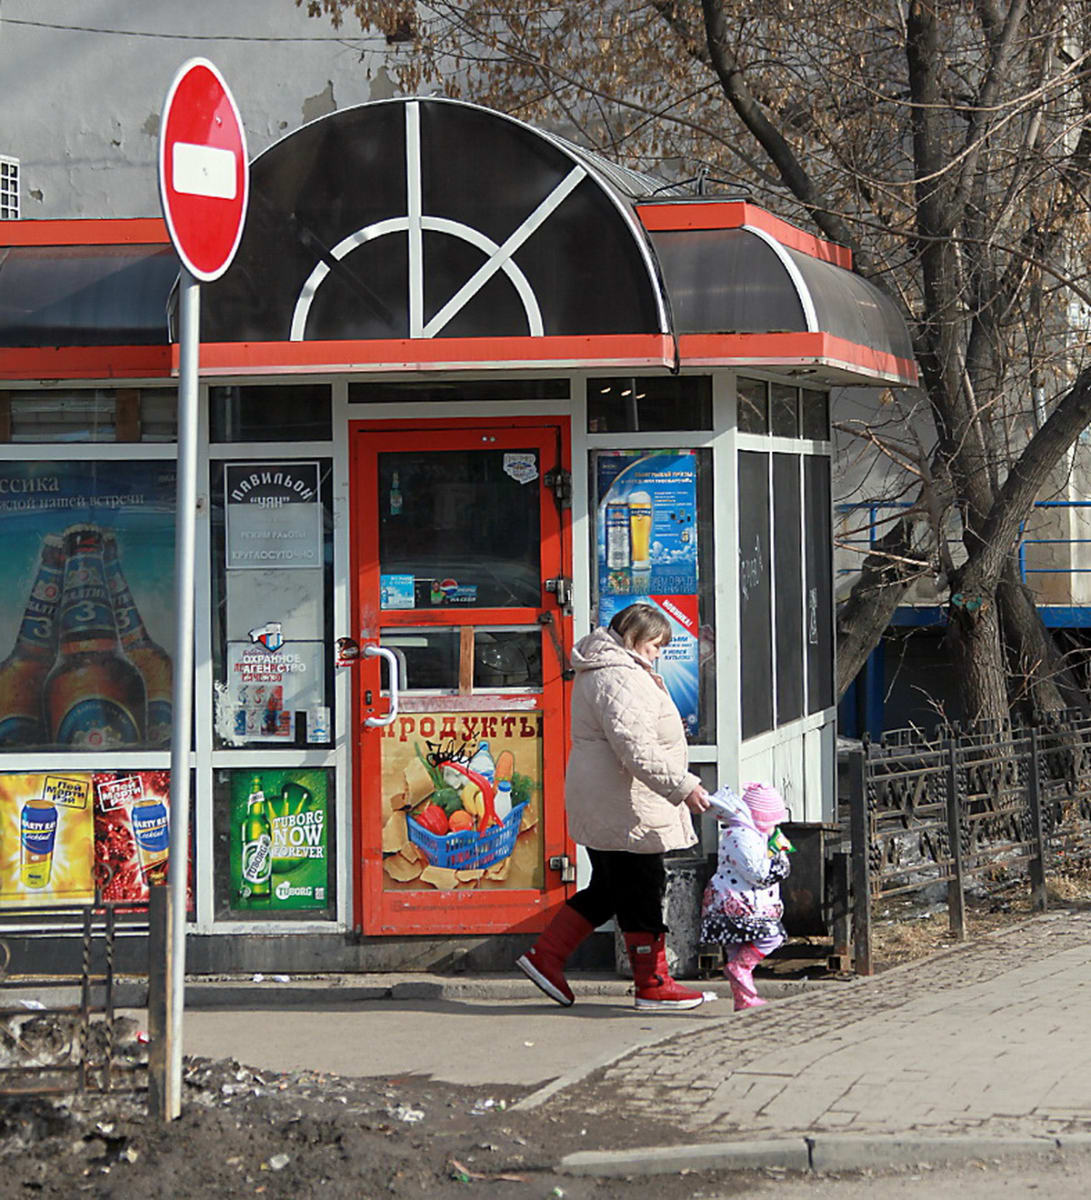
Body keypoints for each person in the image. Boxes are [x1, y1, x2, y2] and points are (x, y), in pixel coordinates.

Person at [516, 603, 711, 1011]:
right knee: (642, 889)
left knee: (609, 888)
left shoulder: (608, 669)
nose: (659, 653)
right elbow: (636, 748)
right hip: (625, 806)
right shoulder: (619, 676)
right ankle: (652, 983)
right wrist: (683, 786)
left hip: (610, 802)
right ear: (634, 638)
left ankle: (547, 956)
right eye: (656, 644)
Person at [700, 782, 791, 1010]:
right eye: (773, 823)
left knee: (736, 948)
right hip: (736, 904)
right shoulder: (742, 837)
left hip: (739, 902)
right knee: (772, 936)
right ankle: (741, 968)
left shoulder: (754, 836)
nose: (775, 828)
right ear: (762, 819)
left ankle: (744, 998)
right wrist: (780, 863)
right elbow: (758, 874)